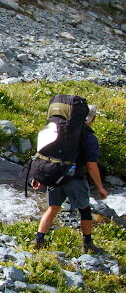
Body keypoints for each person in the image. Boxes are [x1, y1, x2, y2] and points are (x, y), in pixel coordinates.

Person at [33, 105, 109, 252]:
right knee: (84, 210)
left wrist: (38, 177)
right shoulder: (88, 137)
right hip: (75, 178)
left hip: (54, 174)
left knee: (53, 208)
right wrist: (100, 187)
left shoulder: (59, 131)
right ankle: (87, 244)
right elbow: (91, 165)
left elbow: (43, 154)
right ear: (92, 119)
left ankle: (38, 241)